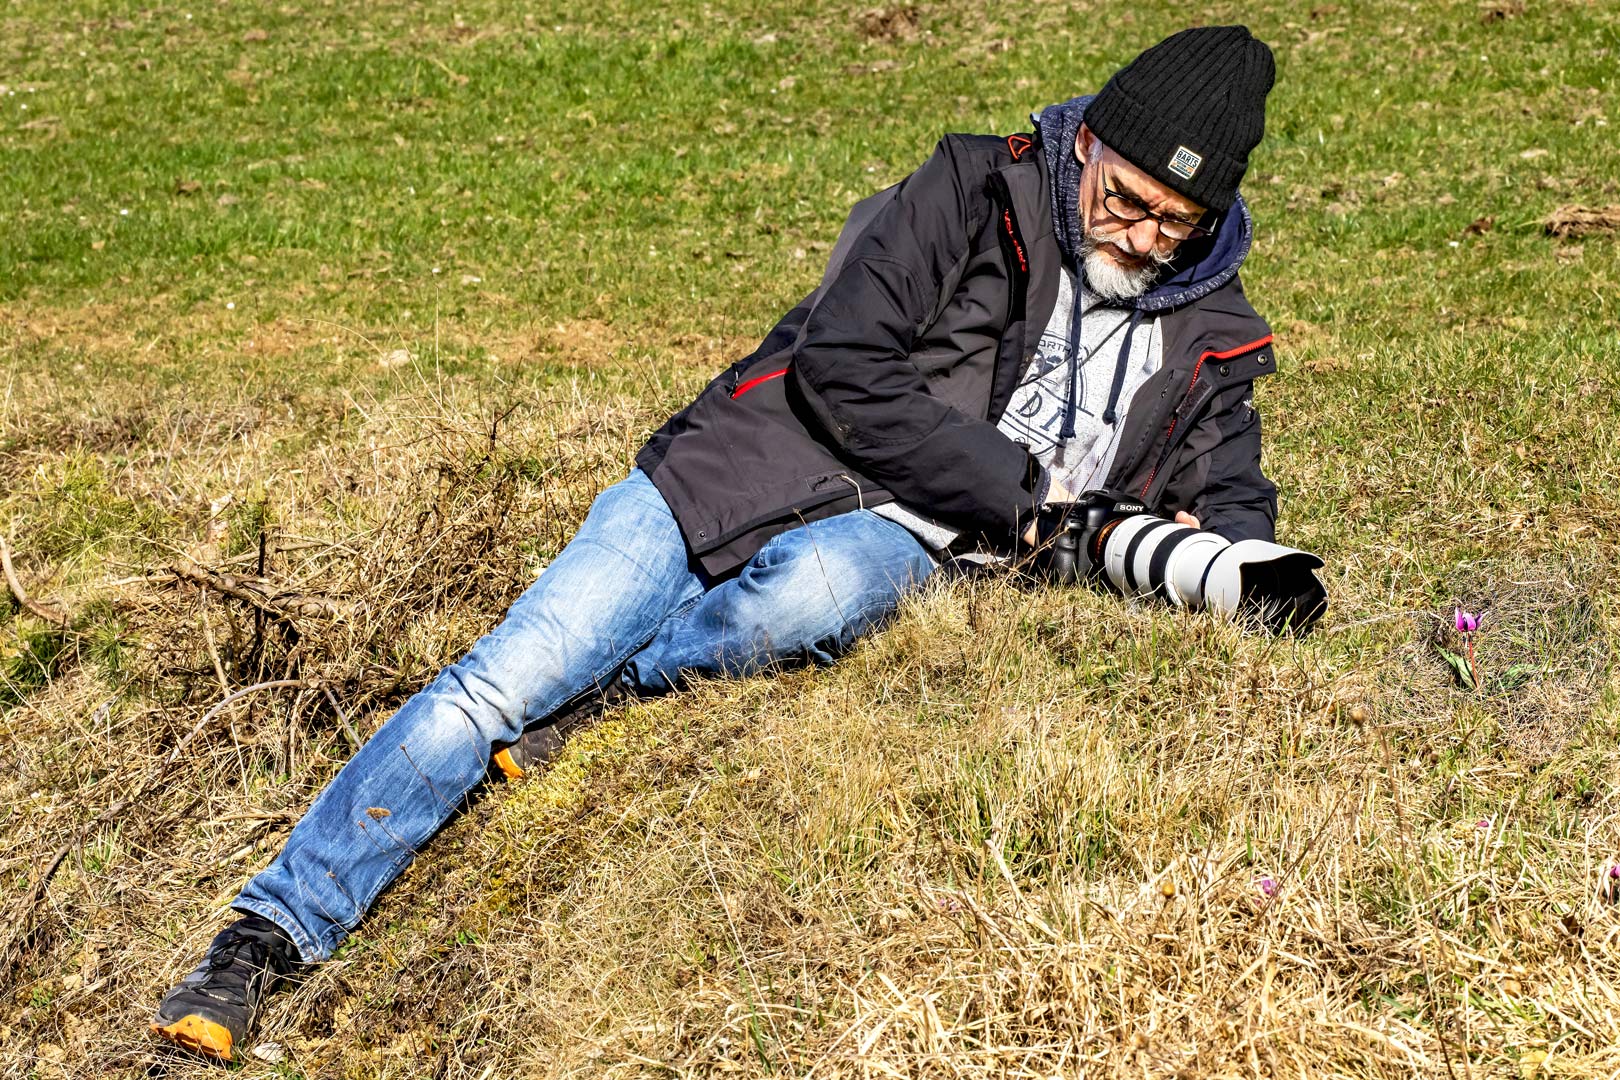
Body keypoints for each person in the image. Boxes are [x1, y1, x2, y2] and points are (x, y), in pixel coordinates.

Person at [152, 25, 1281, 1061]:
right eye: (1123, 199)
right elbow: (844, 364)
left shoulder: (1213, 328)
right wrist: (1025, 499)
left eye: (1172, 224)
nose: (1137, 238)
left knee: (816, 596)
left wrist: (1224, 557)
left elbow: (1230, 489)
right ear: (1085, 143)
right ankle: (265, 936)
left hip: (909, 532)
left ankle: (611, 703)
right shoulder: (972, 186)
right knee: (498, 683)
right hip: (741, 463)